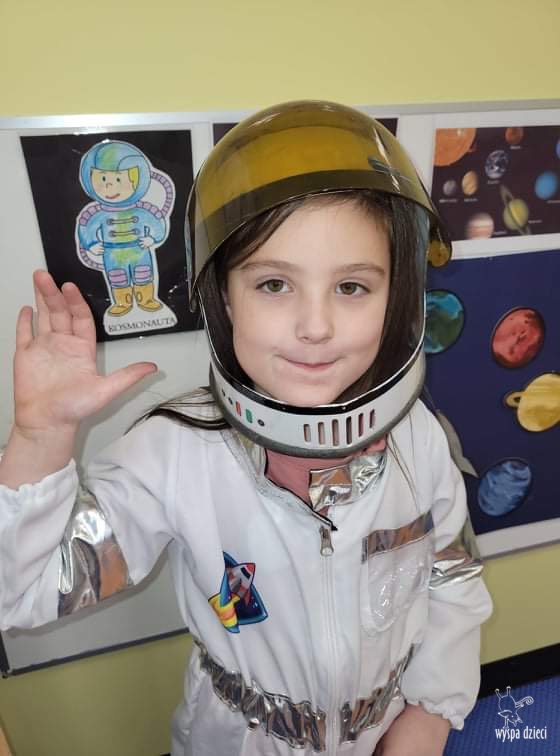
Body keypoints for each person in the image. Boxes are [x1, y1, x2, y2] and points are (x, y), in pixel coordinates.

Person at [0, 100, 492, 756]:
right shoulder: (174, 451)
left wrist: (431, 713)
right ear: (224, 297)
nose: (315, 327)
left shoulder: (417, 438)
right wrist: (39, 440)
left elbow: (452, 575)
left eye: (351, 287)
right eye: (274, 285)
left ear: (394, 297)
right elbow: (25, 595)